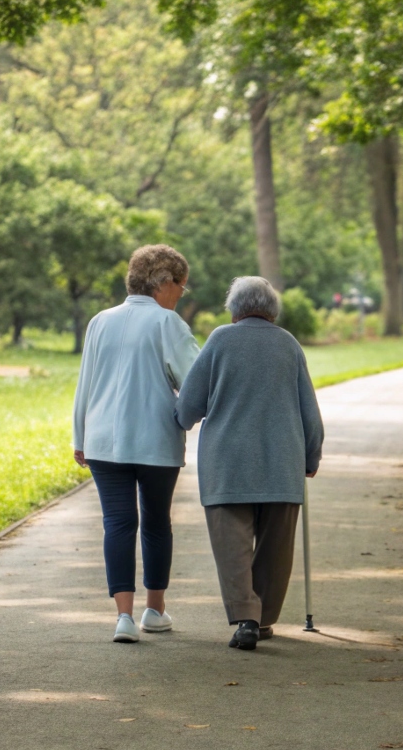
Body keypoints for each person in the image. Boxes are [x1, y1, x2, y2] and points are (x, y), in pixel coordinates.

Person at [175, 276, 324, 651]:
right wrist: (311, 455)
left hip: (227, 463)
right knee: (276, 547)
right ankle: (263, 619)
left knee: (232, 545)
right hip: (282, 461)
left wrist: (182, 418)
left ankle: (247, 616)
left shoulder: (221, 340)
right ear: (272, 310)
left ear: (234, 308)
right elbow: (311, 413)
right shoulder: (289, 345)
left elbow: (189, 406)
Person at [73, 245, 200, 643]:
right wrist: (189, 413)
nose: (182, 293)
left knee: (118, 523)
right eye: (181, 285)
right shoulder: (168, 323)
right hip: (154, 439)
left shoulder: (99, 321)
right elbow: (195, 381)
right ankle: (154, 610)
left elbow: (85, 385)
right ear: (164, 283)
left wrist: (79, 437)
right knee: (157, 522)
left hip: (102, 441)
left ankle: (123, 618)